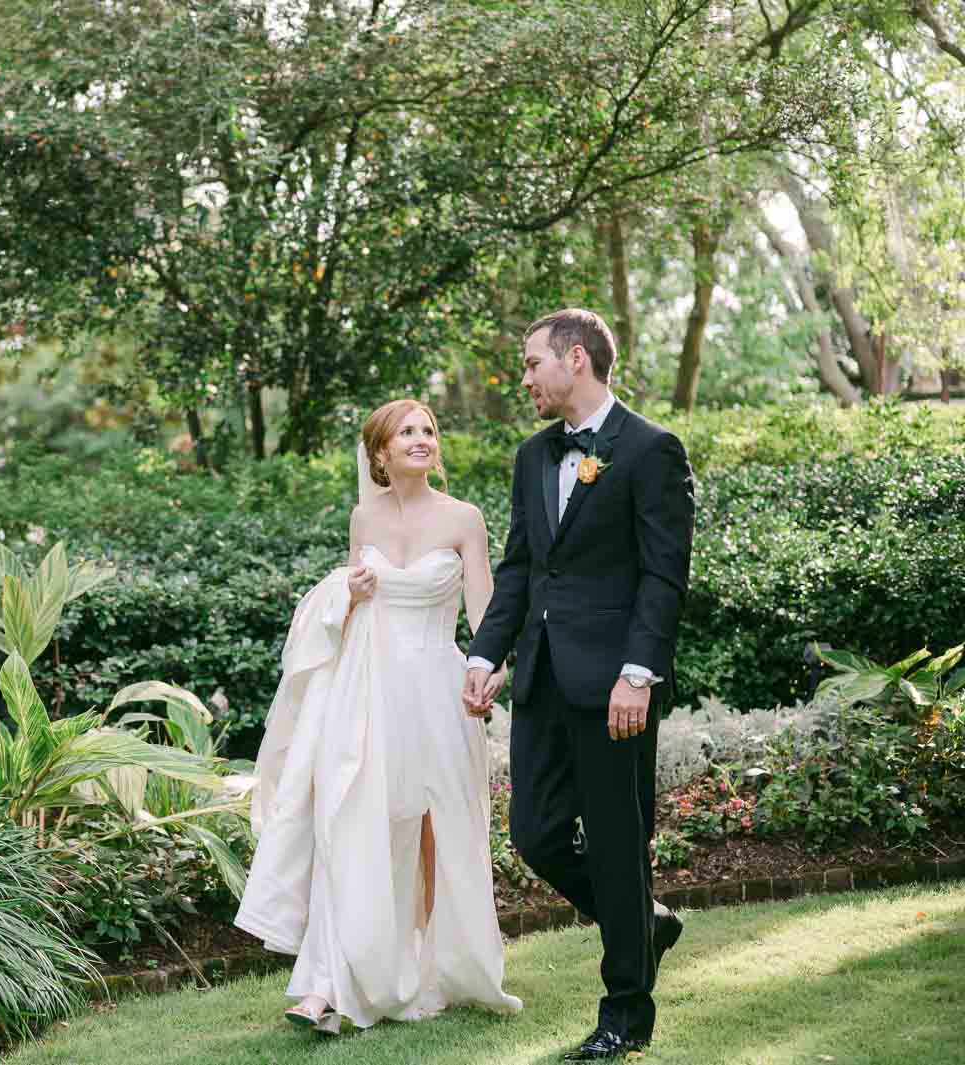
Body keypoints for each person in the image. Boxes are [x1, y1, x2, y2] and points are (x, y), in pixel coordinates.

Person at [235, 398, 523, 1035]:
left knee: (438, 832)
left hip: (438, 692)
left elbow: (486, 611)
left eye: (428, 430)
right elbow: (351, 606)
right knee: (355, 823)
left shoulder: (464, 519)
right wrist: (348, 593)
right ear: (381, 454)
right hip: (367, 692)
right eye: (406, 433)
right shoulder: (362, 516)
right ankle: (325, 983)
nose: (421, 440)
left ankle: (433, 967)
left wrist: (492, 668)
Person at [463, 308, 694, 1061]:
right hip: (543, 679)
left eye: (532, 363)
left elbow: (663, 576)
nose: (524, 377)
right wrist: (484, 654)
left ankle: (626, 1013)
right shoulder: (533, 456)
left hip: (615, 687)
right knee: (533, 832)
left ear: (575, 360)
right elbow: (522, 565)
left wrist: (638, 673)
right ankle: (645, 923)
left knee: (619, 843)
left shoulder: (652, 449)